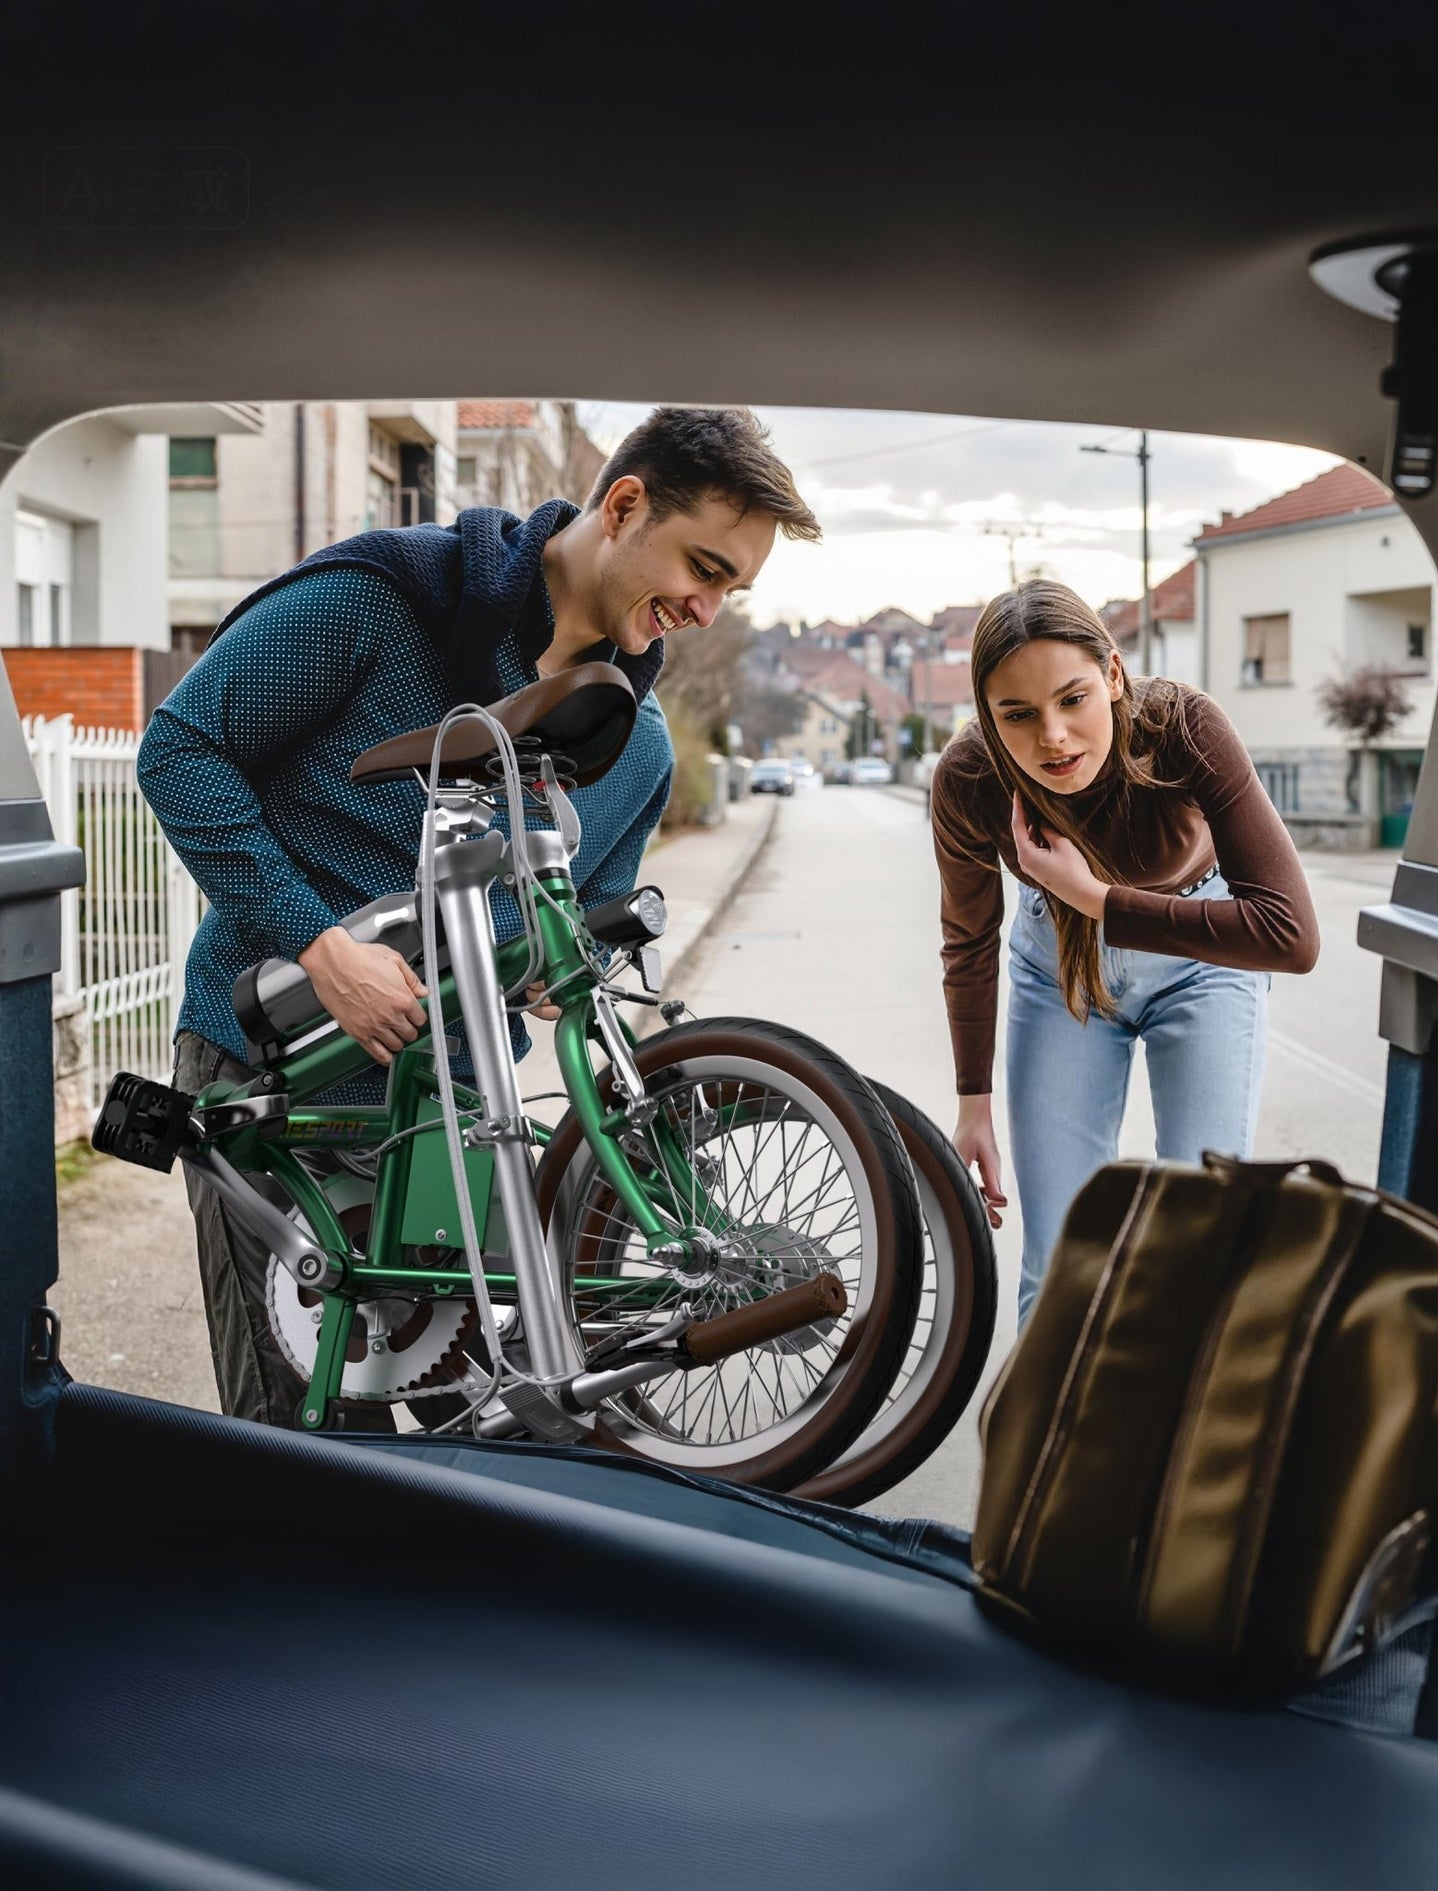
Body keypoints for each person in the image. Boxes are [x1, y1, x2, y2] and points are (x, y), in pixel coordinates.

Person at [138, 406, 821, 1424]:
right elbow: (181, 750)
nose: (708, 608)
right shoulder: (385, 599)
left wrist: (563, 976)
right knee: (303, 1455)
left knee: (498, 1432)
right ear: (623, 507)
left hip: (457, 1114)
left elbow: (570, 947)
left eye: (732, 589)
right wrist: (322, 948)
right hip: (272, 1069)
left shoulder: (634, 748)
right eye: (704, 567)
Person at [930, 579, 1319, 1323]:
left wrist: (1098, 900)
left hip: (1203, 962)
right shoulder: (970, 777)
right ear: (987, 712)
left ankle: (1179, 1401)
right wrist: (972, 1104)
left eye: (1071, 699)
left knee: (1201, 1239)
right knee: (1060, 1260)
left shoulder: (1183, 727)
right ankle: (1054, 1404)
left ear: (1112, 674)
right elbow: (968, 939)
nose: (1052, 736)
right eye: (1017, 714)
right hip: (1057, 971)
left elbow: (1291, 935)